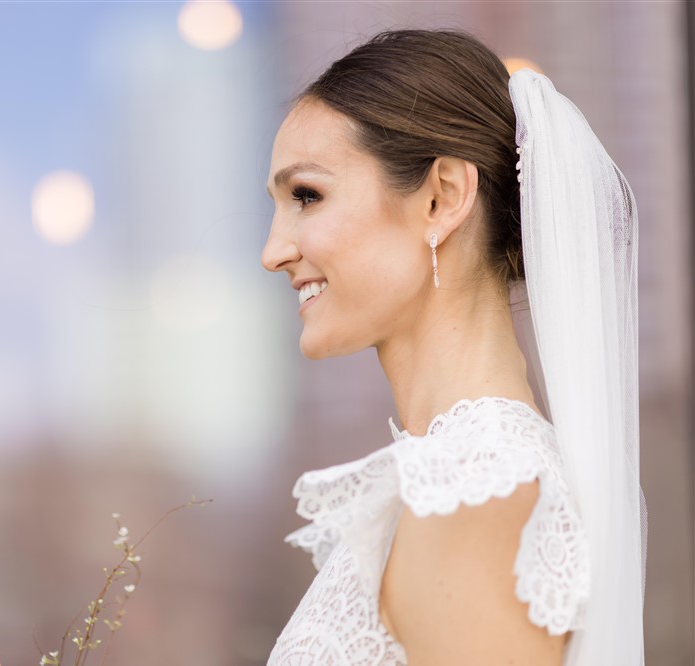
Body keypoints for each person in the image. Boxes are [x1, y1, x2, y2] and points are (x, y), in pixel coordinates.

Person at [260, 29, 646, 665]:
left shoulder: (474, 491)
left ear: (442, 197)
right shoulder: (460, 479)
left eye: (307, 196)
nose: (274, 252)